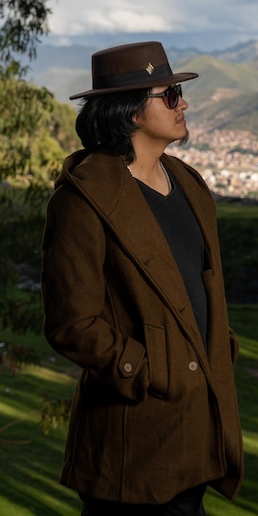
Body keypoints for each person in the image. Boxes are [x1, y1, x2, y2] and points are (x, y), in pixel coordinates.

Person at [41, 41, 244, 516]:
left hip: (198, 432)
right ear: (131, 111)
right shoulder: (81, 201)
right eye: (170, 94)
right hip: (132, 440)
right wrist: (147, 369)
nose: (184, 103)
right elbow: (72, 323)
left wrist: (217, 347)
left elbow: (200, 288)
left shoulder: (190, 185)